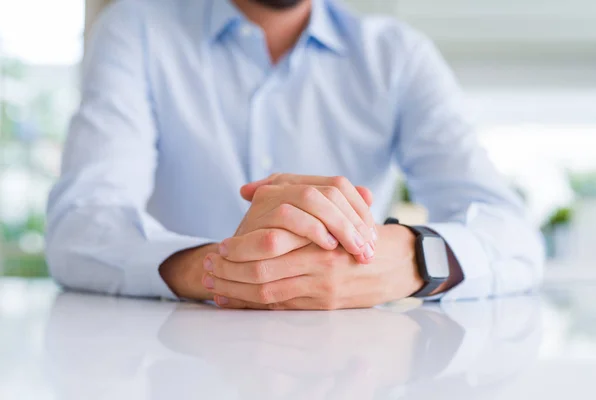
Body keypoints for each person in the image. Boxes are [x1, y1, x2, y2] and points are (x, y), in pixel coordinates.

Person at [46, 0, 544, 309]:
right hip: (172, 362)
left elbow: (515, 237)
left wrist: (409, 258)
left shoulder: (397, 56)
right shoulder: (136, 27)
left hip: (352, 363)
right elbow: (80, 228)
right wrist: (224, 271)